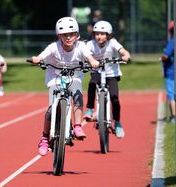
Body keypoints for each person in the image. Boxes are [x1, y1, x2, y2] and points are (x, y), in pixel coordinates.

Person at [30, 17, 99, 156]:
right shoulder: (53, 47)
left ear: (77, 35)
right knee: (50, 109)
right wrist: (37, 59)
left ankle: (77, 126)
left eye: (71, 34)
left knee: (78, 97)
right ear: (59, 36)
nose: (68, 37)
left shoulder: (81, 46)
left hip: (74, 78)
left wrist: (92, 61)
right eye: (64, 35)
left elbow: (88, 56)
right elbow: (43, 55)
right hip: (54, 79)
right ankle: (44, 138)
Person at [83, 20, 131, 138]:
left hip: (111, 74)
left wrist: (125, 56)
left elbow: (123, 51)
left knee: (115, 99)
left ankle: (118, 123)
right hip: (97, 72)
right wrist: (88, 61)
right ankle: (89, 108)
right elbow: (84, 54)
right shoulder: (90, 44)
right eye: (97, 34)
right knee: (92, 83)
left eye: (102, 34)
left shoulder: (113, 43)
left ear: (108, 35)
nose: (99, 36)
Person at [161, 20, 175, 123]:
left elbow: (166, 56)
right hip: (175, 71)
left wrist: (162, 57)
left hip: (171, 72)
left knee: (171, 95)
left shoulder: (173, 41)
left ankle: (174, 116)